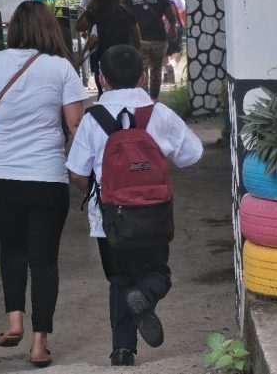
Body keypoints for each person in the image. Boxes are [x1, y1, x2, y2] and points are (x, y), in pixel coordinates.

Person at [0, 0, 87, 368]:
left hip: (2, 178)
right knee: (44, 260)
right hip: (47, 178)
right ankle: (38, 344)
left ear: (13, 29)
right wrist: (87, 173)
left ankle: (14, 320)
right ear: (49, 28)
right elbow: (76, 127)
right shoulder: (61, 68)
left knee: (12, 250)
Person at [66, 44, 203, 367]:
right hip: (154, 216)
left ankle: (122, 351)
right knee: (158, 274)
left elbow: (76, 173)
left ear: (102, 79)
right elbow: (193, 154)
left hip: (110, 218)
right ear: (143, 76)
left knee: (119, 280)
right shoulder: (160, 113)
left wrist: (100, 196)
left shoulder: (93, 118)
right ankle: (146, 294)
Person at [122, 0, 177, 100]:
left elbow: (124, 21)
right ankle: (154, 100)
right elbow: (171, 16)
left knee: (142, 72)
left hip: (139, 42)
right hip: (159, 40)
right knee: (157, 70)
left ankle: (145, 102)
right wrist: (172, 28)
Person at [77, 0, 140, 95]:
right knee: (126, 92)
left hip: (104, 59)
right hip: (126, 57)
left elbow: (79, 27)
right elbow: (137, 39)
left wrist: (89, 6)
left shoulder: (97, 12)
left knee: (104, 94)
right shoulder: (127, 12)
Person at [157, 0, 186, 84]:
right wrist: (184, 24)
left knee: (163, 53)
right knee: (177, 51)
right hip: (175, 27)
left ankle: (166, 74)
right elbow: (183, 11)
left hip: (160, 29)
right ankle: (171, 65)